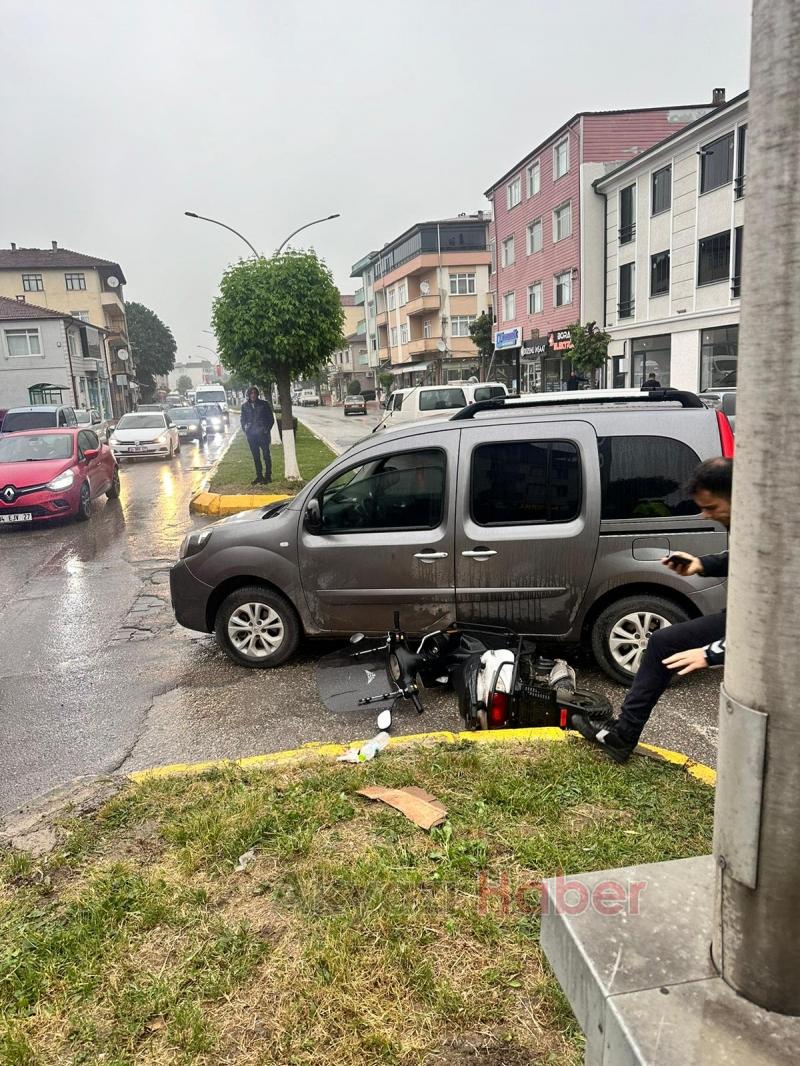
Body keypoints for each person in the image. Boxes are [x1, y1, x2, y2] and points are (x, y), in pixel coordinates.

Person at [572, 457, 732, 763]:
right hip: (741, 619)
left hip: (768, 639)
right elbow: (739, 556)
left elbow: (777, 625)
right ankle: (622, 736)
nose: (705, 515)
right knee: (662, 641)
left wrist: (712, 653)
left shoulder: (773, 532)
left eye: (711, 507)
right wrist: (700, 564)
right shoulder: (746, 524)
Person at [240, 386, 275, 485]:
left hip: (263, 435)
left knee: (266, 455)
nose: (253, 395)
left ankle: (268, 476)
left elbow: (271, 419)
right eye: (251, 393)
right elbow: (243, 420)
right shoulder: (245, 406)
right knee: (256, 457)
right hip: (251, 436)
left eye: (255, 393)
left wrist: (266, 430)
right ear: (248, 395)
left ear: (257, 394)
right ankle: (259, 476)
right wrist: (246, 430)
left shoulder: (264, 404)